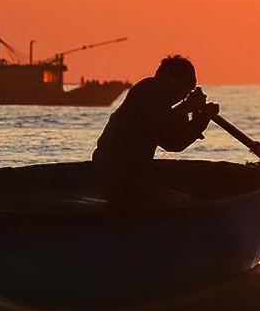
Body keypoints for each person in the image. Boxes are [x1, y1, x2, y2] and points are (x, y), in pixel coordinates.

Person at [93, 54, 217, 202]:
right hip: (117, 176)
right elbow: (155, 122)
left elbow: (174, 143)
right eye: (187, 88)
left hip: (130, 176)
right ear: (173, 80)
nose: (185, 95)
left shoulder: (167, 105)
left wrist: (200, 121)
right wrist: (186, 107)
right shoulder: (148, 89)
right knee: (185, 202)